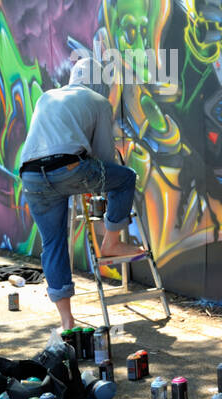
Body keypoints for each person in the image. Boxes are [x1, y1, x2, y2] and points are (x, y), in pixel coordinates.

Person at [18, 57, 143, 331]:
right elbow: (104, 158)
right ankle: (111, 242)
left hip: (30, 175)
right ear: (98, 82)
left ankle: (67, 320)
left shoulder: (46, 97)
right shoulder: (99, 102)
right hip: (68, 168)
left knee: (53, 243)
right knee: (125, 179)